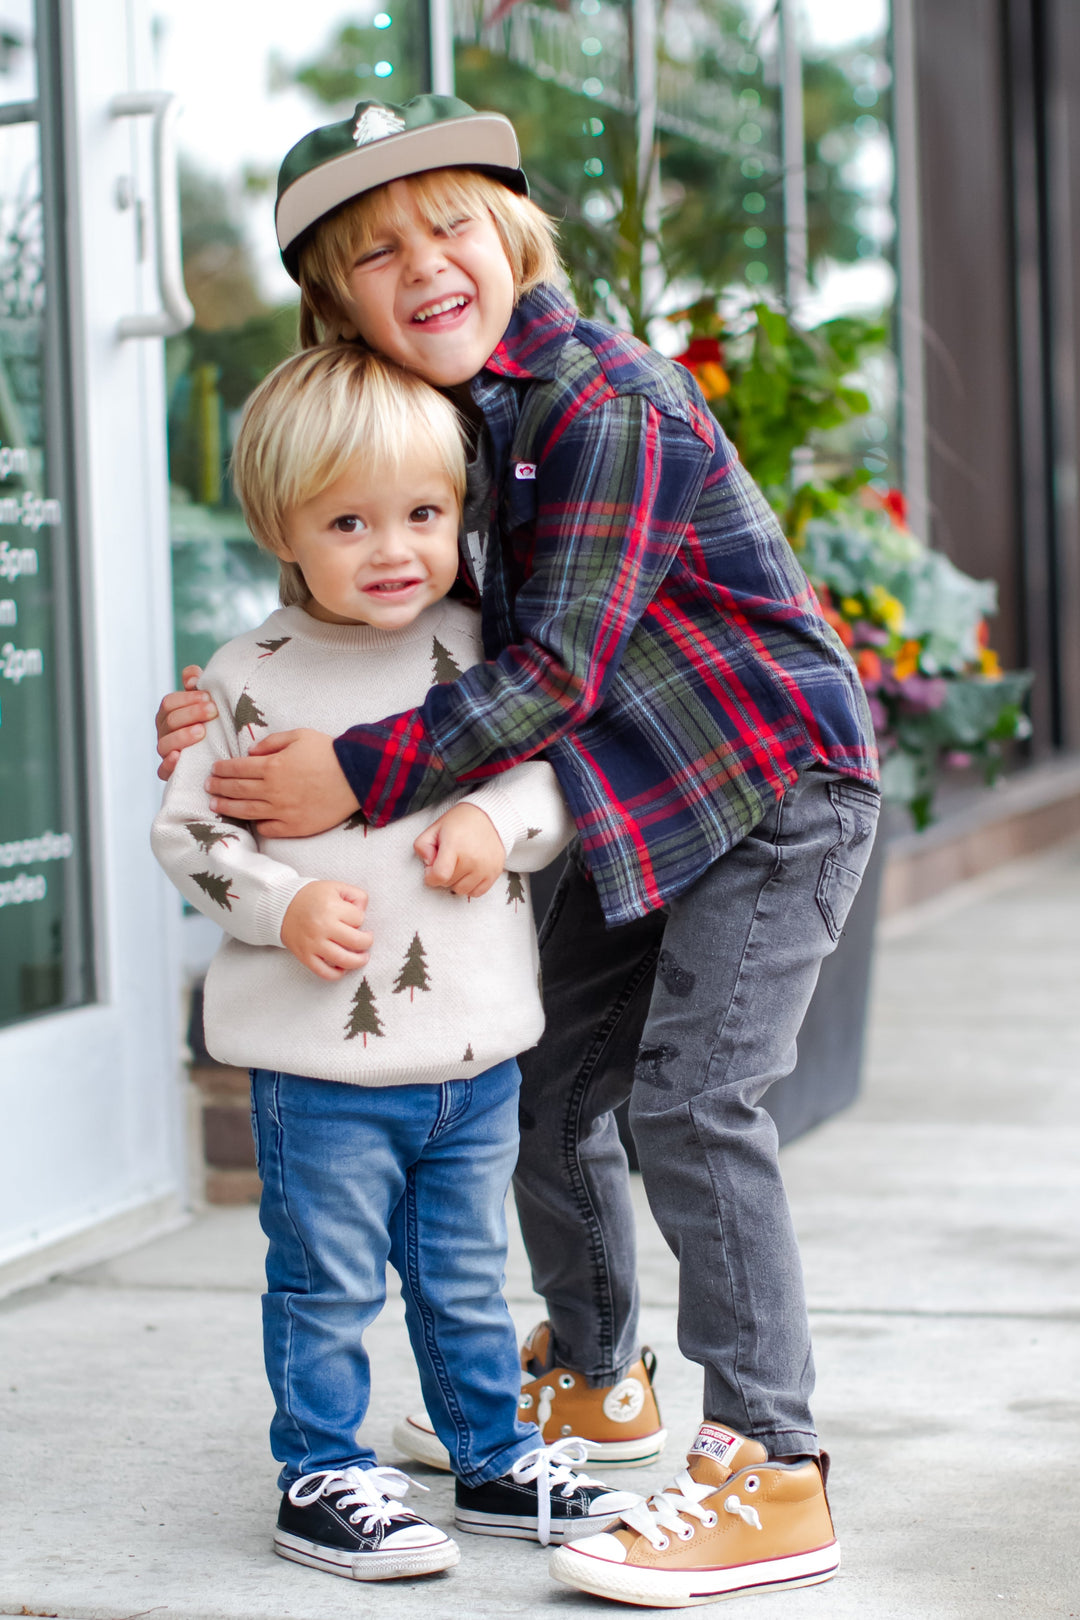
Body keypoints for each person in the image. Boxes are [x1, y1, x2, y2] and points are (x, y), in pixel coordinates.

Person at [156, 96, 880, 1606]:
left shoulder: (600, 401)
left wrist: (342, 776)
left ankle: (774, 1466)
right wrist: (236, 707)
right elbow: (395, 612)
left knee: (691, 1103)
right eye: (374, 253)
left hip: (770, 782)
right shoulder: (461, 414)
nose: (425, 263)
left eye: (452, 222)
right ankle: (598, 1378)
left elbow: (542, 673)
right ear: (333, 301)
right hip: (632, 788)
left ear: (512, 230)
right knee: (554, 1082)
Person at [151, 343, 642, 1585]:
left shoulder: (482, 645)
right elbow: (190, 831)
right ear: (283, 527)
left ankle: (485, 1454)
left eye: (423, 516)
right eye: (350, 521)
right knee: (323, 1280)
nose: (393, 550)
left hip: (472, 1055)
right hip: (320, 1070)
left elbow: (550, 779)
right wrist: (280, 903)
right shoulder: (245, 679)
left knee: (464, 1275)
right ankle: (321, 1467)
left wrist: (500, 824)